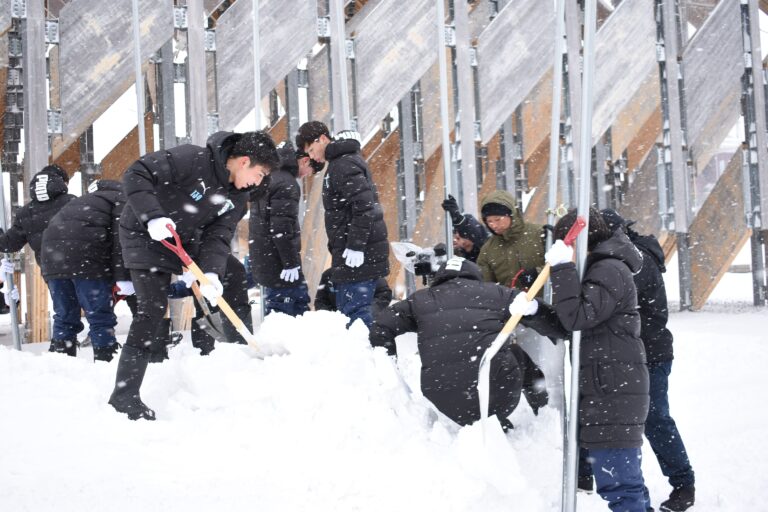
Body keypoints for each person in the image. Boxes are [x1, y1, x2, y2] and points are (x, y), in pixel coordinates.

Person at [108, 130, 279, 421]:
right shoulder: (193, 159)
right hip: (144, 233)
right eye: (260, 174)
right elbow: (137, 173)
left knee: (231, 275)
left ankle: (232, 358)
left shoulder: (236, 198)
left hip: (184, 239)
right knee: (153, 308)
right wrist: (152, 216)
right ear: (244, 161)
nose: (259, 182)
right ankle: (124, 396)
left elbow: (218, 236)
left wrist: (211, 271)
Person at [517, 207, 651, 512]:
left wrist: (562, 269)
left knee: (620, 485)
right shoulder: (600, 267)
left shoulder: (609, 270)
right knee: (625, 484)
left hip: (614, 390)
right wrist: (536, 313)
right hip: (608, 386)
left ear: (575, 242)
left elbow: (578, 317)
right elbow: (571, 323)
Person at [369, 257, 565, 429]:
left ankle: (479, 419)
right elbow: (538, 312)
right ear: (475, 275)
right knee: (517, 354)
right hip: (497, 390)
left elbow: (381, 326)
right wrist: (562, 330)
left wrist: (389, 365)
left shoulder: (419, 301)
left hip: (443, 395)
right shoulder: (496, 293)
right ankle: (542, 411)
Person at [598, 209, 695, 512]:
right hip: (631, 355)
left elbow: (609, 299)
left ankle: (683, 483)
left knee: (654, 419)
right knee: (630, 425)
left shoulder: (635, 261)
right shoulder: (624, 258)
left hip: (650, 354)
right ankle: (639, 497)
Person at [296, 121, 389, 328]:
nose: (311, 156)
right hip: (353, 257)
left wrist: (355, 245)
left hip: (358, 258)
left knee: (356, 320)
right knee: (354, 317)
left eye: (311, 149)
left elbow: (363, 206)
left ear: (323, 139)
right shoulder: (341, 163)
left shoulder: (344, 164)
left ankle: (368, 358)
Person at [40, 179, 129, 361]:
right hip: (87, 260)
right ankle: (106, 362)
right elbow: (120, 240)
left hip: (53, 260)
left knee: (65, 316)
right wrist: (123, 277)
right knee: (99, 317)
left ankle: (60, 365)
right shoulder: (122, 199)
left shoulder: (80, 202)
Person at [0, 165, 75, 330]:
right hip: (82, 266)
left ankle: (62, 349)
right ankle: (102, 350)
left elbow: (9, 244)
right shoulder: (73, 202)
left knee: (65, 314)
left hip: (52, 270)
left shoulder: (26, 212)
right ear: (61, 182)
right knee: (96, 311)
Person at [249, 141, 312, 316]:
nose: (307, 175)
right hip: (280, 267)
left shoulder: (266, 178)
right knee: (288, 316)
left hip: (266, 261)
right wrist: (290, 263)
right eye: (310, 170)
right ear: (304, 161)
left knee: (283, 315)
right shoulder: (287, 184)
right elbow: (281, 229)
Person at [169, 253, 253, 354]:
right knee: (204, 306)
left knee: (230, 274)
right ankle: (203, 352)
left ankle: (242, 348)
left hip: (213, 259)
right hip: (201, 258)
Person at [476, 190, 545, 291]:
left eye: (497, 219)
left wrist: (537, 273)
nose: (493, 225)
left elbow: (561, 265)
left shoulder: (539, 234)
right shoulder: (488, 249)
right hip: (511, 305)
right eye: (489, 221)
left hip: (546, 302)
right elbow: (485, 286)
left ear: (511, 214)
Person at [314, 268, 392, 320]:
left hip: (362, 323)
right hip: (335, 323)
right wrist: (328, 316)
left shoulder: (372, 274)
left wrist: (367, 312)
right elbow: (321, 300)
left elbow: (384, 295)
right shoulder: (329, 275)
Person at [440, 194, 489, 262]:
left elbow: (477, 231)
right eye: (454, 239)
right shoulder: (456, 255)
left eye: (458, 238)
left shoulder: (486, 247)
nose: (455, 241)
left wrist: (458, 220)